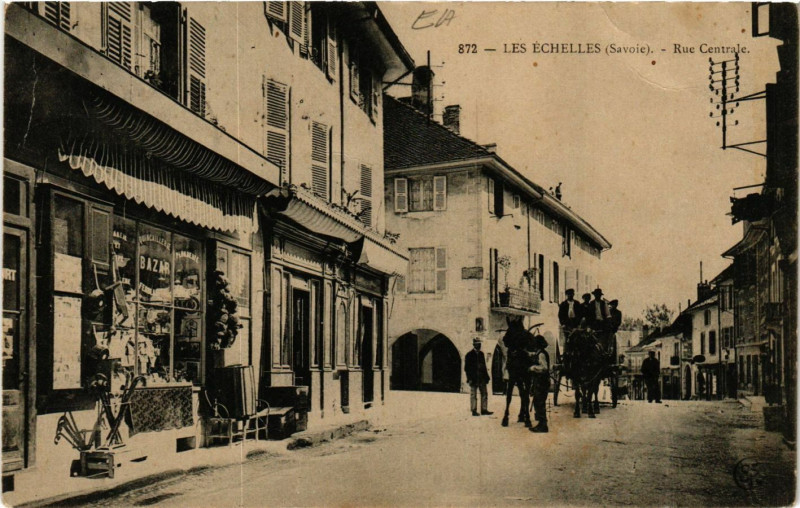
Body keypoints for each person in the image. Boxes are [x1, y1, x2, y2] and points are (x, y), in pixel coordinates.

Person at [465, 338, 493, 416]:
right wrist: (469, 378)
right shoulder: (469, 355)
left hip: (482, 378)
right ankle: (474, 410)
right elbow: (467, 368)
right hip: (473, 378)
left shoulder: (481, 354)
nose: (479, 345)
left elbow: (484, 366)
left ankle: (484, 410)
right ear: (474, 345)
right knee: (473, 394)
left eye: (480, 344)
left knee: (484, 394)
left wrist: (487, 377)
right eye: (478, 344)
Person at [529, 335, 551, 433]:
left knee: (540, 402)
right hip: (540, 382)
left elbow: (544, 368)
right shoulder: (539, 353)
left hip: (542, 382)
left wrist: (533, 368)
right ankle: (541, 424)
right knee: (538, 402)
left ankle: (543, 425)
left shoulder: (541, 354)